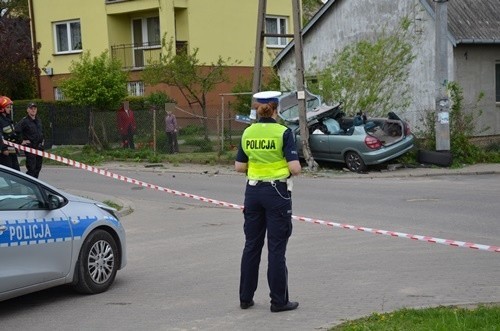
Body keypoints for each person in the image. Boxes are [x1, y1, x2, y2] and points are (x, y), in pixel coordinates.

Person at [235, 91, 301, 313]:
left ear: (257, 109)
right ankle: (278, 301)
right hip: (277, 193)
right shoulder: (283, 132)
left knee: (251, 245)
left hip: (252, 192)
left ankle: (245, 297)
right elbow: (295, 168)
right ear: (276, 109)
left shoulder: (247, 132)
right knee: (276, 248)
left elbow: (239, 167)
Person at [15, 102, 44, 178]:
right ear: (28, 110)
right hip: (30, 148)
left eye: (35, 108)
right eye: (31, 109)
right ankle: (29, 185)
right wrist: (21, 141)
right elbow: (17, 130)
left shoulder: (38, 120)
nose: (33, 110)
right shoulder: (25, 121)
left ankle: (35, 183)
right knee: (32, 168)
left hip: (39, 147)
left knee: (38, 167)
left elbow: (41, 131)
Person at [0, 96, 20, 171]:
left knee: (17, 173)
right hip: (5, 153)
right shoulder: (1, 121)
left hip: (12, 150)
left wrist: (17, 145)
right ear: (2, 109)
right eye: (8, 107)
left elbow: (13, 134)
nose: (10, 109)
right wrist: (4, 149)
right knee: (9, 173)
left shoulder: (8, 119)